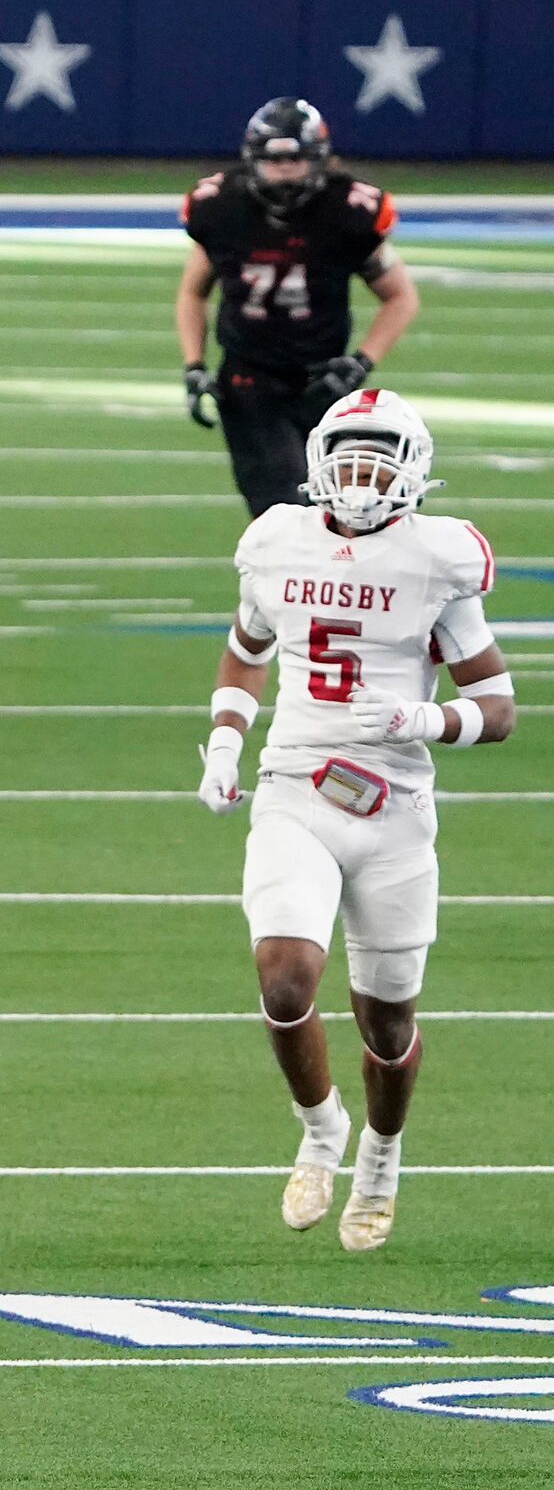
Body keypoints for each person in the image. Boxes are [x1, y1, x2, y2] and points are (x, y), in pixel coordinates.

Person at [196, 389, 515, 1250]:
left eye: (378, 456)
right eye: (348, 453)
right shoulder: (276, 541)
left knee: (388, 1023)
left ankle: (381, 1154)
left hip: (395, 807)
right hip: (295, 784)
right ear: (317, 459)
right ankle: (319, 1128)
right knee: (285, 980)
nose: (360, 473)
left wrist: (428, 720)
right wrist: (225, 740)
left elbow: (498, 706)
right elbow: (247, 647)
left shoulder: (438, 559)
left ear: (413, 467)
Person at [176, 97, 420, 517]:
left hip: (325, 382)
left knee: (345, 510)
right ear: (252, 161)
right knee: (284, 512)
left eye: (295, 160)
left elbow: (400, 296)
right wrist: (194, 365)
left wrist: (359, 363)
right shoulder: (221, 207)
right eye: (274, 162)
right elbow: (193, 292)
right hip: (250, 380)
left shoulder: (348, 213)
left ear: (320, 160)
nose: (284, 173)